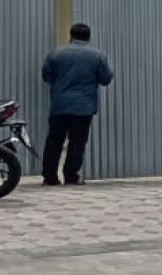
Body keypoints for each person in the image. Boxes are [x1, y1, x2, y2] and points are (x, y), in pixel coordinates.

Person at [40, 22, 113, 185]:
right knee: (77, 142)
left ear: (71, 36)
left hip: (59, 105)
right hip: (83, 107)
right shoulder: (97, 56)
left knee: (54, 141)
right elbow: (105, 79)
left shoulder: (55, 54)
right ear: (89, 37)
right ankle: (71, 175)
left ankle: (49, 176)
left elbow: (46, 76)